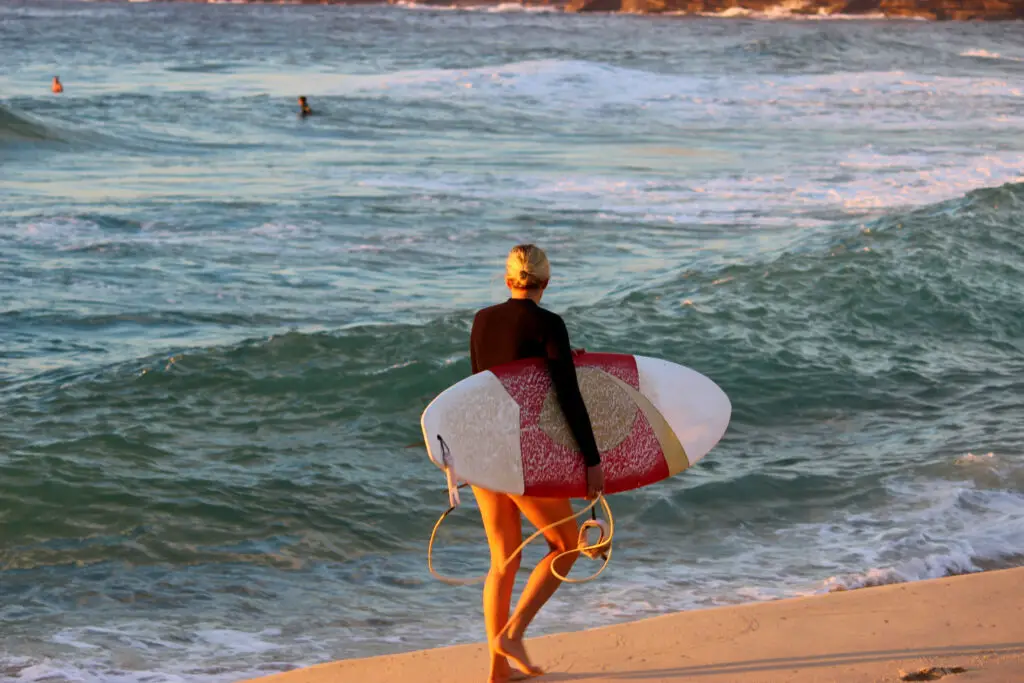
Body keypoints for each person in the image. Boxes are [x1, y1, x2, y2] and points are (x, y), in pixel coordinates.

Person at [469, 244, 604, 683]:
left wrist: (560, 361)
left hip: (482, 450)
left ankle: (498, 671)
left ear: (507, 280)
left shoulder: (482, 320)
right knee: (566, 546)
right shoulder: (550, 324)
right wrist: (592, 460)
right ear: (545, 283)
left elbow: (489, 382)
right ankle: (512, 635)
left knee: (503, 560)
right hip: (522, 454)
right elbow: (568, 398)